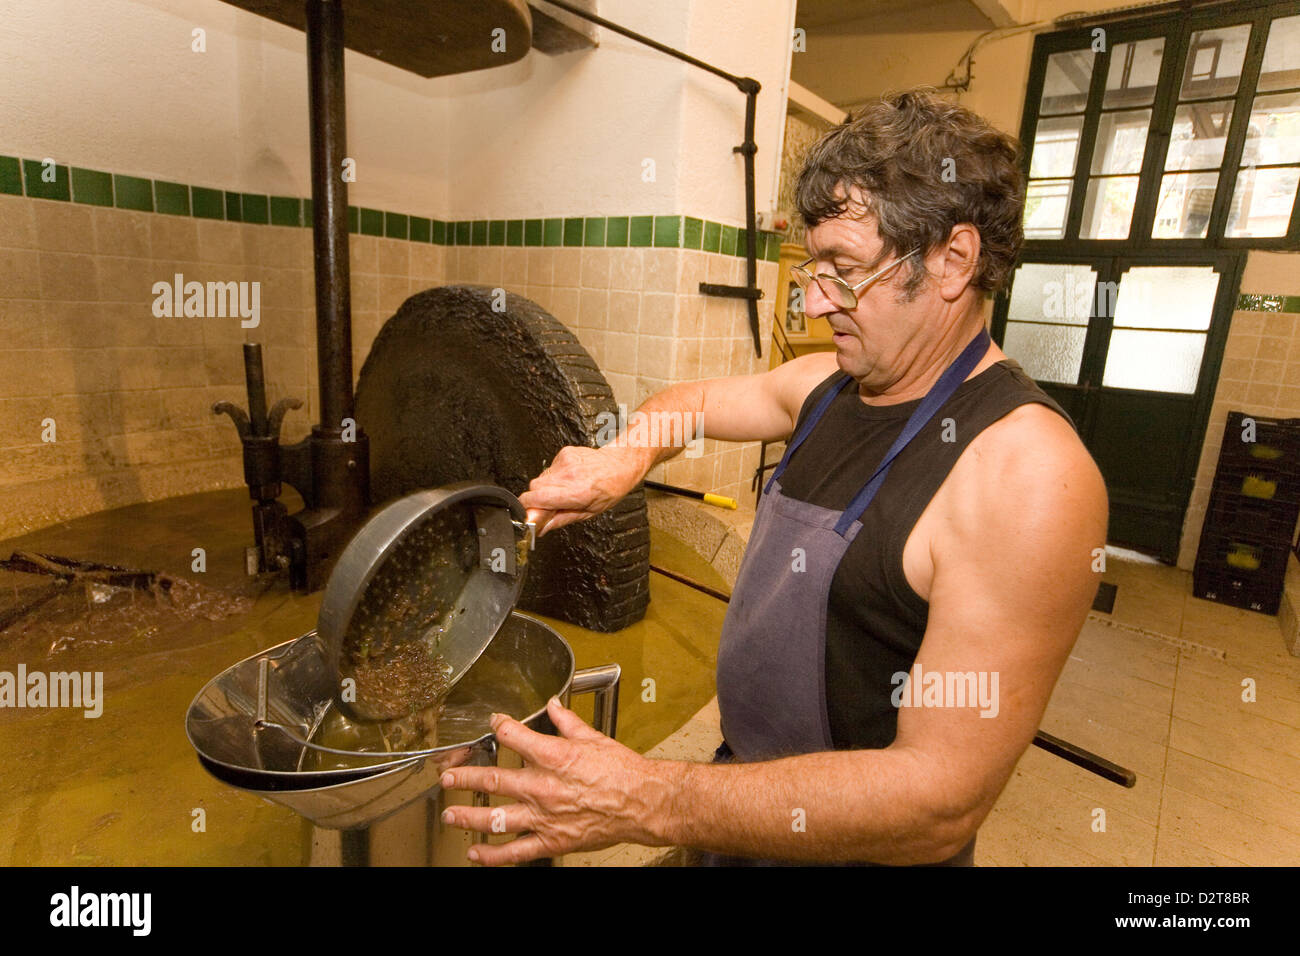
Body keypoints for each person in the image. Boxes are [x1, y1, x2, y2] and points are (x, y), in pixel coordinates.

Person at [439, 89, 1108, 866]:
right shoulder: (826, 388)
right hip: (737, 814)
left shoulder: (1029, 475)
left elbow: (938, 800)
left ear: (952, 261)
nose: (817, 299)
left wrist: (649, 799)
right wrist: (621, 459)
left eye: (844, 270)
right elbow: (685, 405)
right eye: (815, 266)